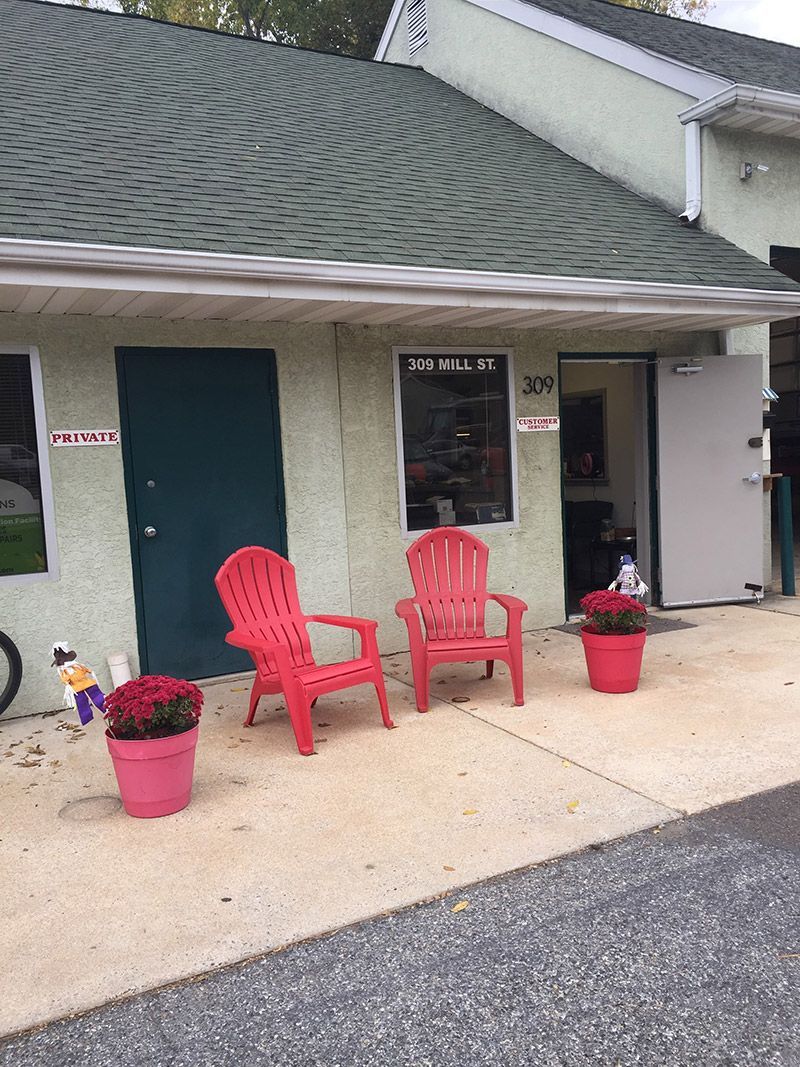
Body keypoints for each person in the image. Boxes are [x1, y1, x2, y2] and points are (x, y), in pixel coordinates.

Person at [51, 642, 105, 725]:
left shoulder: (76, 666)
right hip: (77, 689)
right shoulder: (64, 670)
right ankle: (87, 719)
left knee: (98, 698)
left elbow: (84, 670)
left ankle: (107, 709)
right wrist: (67, 680)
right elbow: (65, 680)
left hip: (88, 684)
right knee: (82, 704)